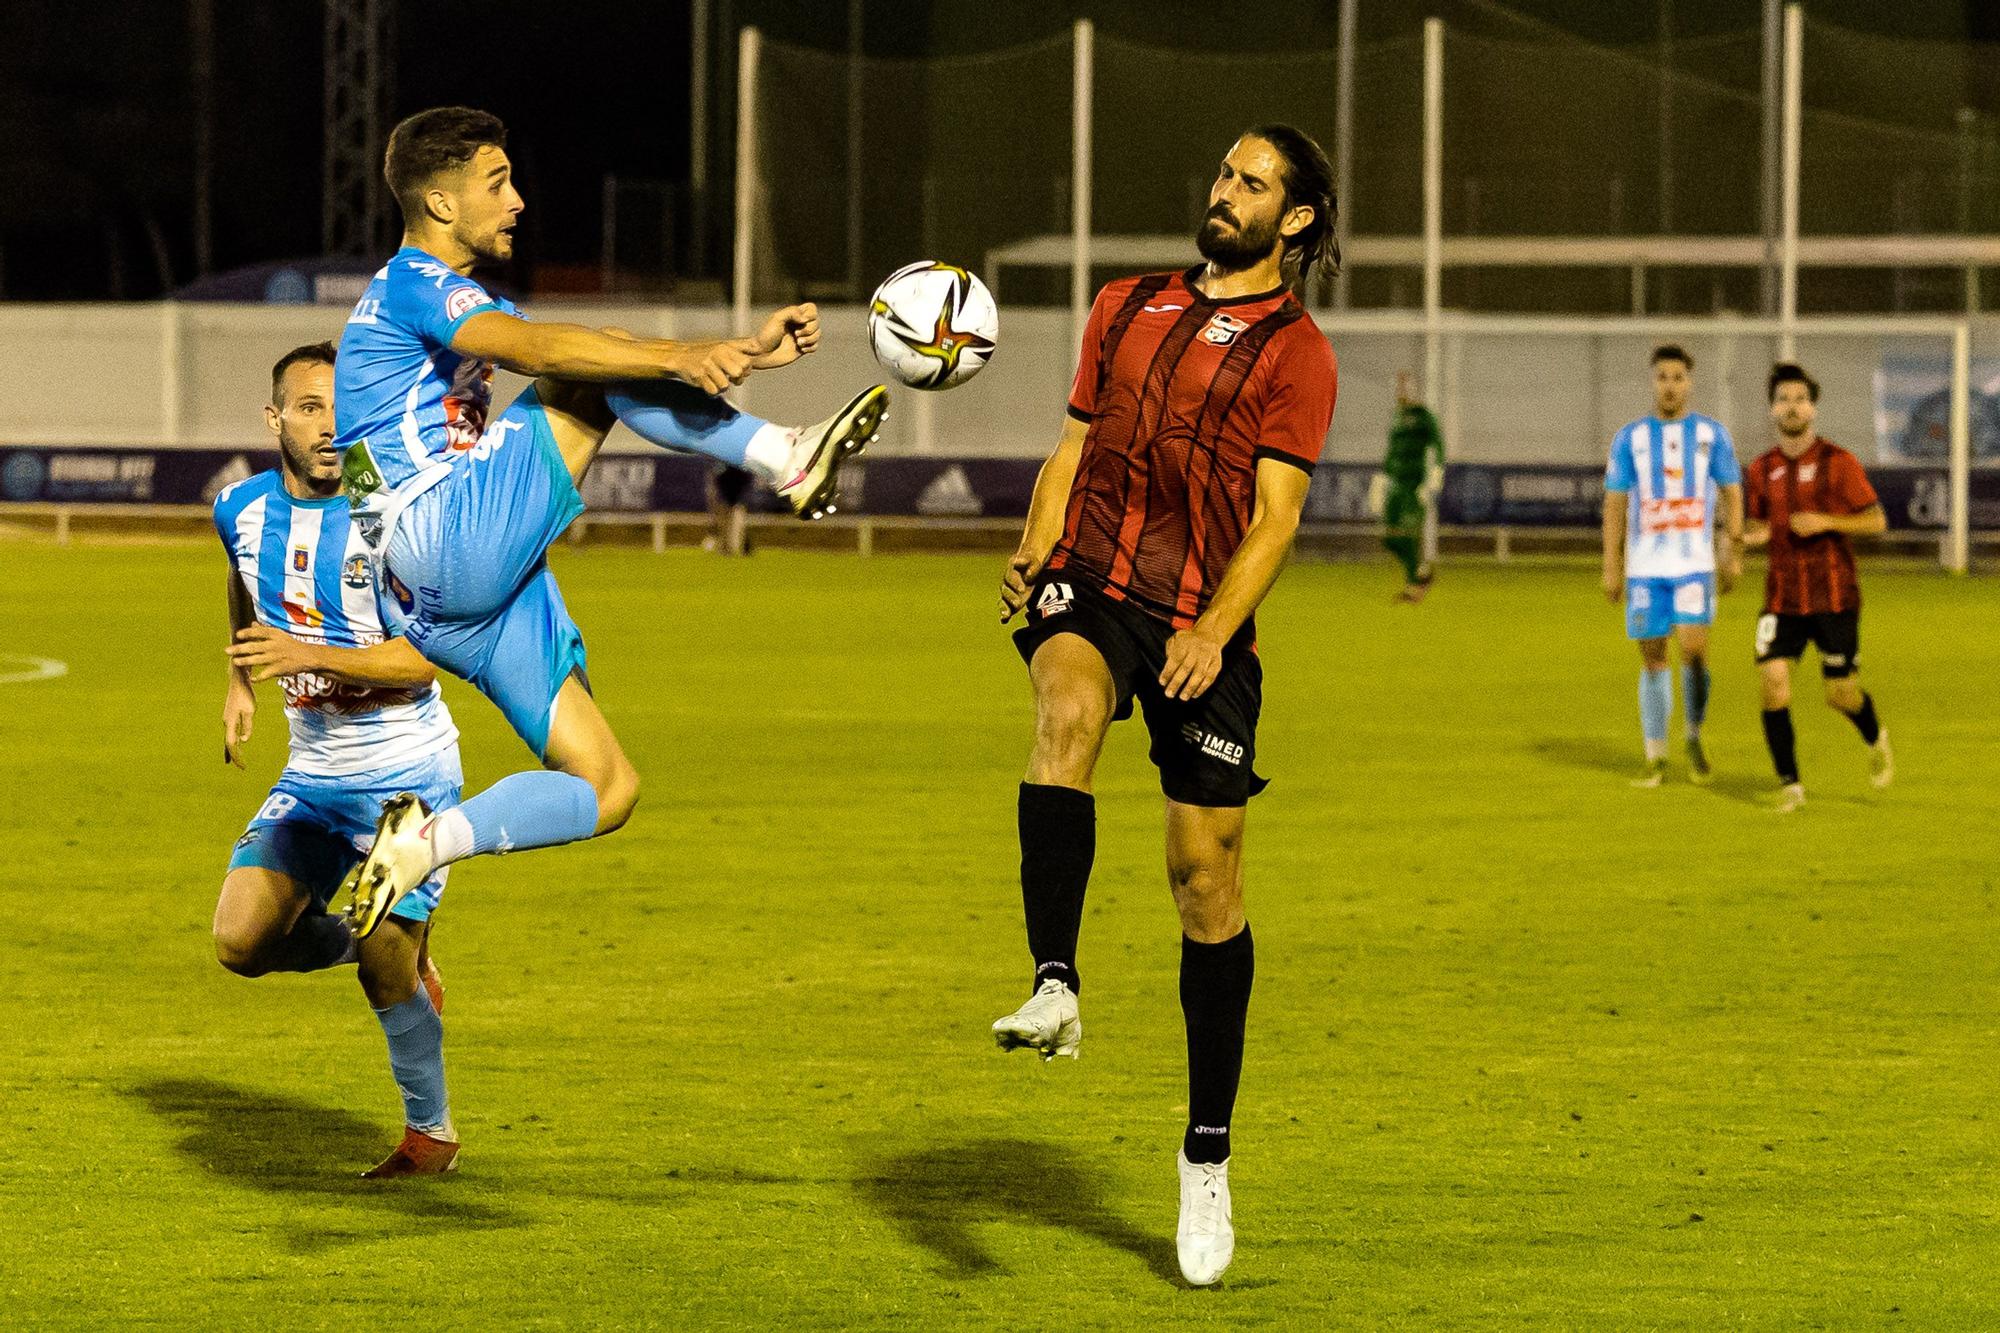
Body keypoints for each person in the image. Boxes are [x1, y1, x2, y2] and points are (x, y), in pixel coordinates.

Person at [331, 108, 887, 935]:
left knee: (606, 786)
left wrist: (736, 349)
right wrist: (680, 355)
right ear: (441, 205)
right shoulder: (415, 283)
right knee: (590, 370)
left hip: (440, 602)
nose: (518, 200)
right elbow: (541, 352)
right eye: (497, 183)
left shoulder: (430, 294)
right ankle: (785, 456)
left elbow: (568, 346)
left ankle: (422, 844)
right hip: (441, 540)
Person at [992, 125, 1339, 1287]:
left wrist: (1209, 630)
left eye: (1250, 183)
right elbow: (1074, 441)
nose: (1221, 190)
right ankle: (1053, 983)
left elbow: (1276, 518)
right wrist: (1037, 542)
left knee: (1206, 882)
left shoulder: (1297, 352)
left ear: (1292, 220)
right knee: (1063, 715)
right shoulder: (1124, 302)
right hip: (1092, 582)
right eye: (1223, 172)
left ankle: (1205, 1152)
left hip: (1203, 622)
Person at [213, 341, 463, 1177]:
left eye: (342, 408)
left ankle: (431, 1138)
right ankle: (376, 941)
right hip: (314, 777)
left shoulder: (392, 510)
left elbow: (426, 659)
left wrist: (301, 654)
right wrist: (243, 676)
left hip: (410, 775)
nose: (329, 428)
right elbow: (243, 583)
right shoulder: (239, 509)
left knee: (387, 975)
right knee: (240, 943)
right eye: (310, 408)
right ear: (274, 419)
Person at [1743, 362, 1893, 812]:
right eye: (1784, 399)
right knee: (1773, 683)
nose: (1792, 406)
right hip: (1781, 598)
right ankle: (1790, 785)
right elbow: (1758, 525)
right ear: (1772, 409)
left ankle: (1874, 735)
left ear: (1813, 407)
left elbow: (1878, 521)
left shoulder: (1839, 462)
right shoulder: (1760, 468)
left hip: (1834, 596)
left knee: (1840, 695)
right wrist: (1746, 537)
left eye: (1800, 399)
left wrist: (1826, 520)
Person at [1602, 345, 1743, 787]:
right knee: (1653, 659)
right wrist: (1611, 563)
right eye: (1663, 377)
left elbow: (1733, 493)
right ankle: (1656, 756)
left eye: (1678, 377)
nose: (1670, 385)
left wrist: (1732, 553)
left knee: (1694, 651)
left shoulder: (1712, 435)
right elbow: (1615, 504)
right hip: (1644, 569)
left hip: (1694, 565)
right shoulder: (1630, 438)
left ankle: (1695, 735)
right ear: (1653, 381)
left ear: (1690, 382)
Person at [1369, 371, 1445, 602]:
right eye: (1399, 386)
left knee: (1409, 535)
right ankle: (1421, 570)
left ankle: (1414, 586)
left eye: (1406, 387)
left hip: (1414, 485)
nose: (1401, 391)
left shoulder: (1424, 416)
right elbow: (1392, 448)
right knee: (1390, 539)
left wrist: (1435, 474)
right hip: (1394, 484)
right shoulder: (1397, 416)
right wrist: (1382, 477)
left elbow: (1438, 445)